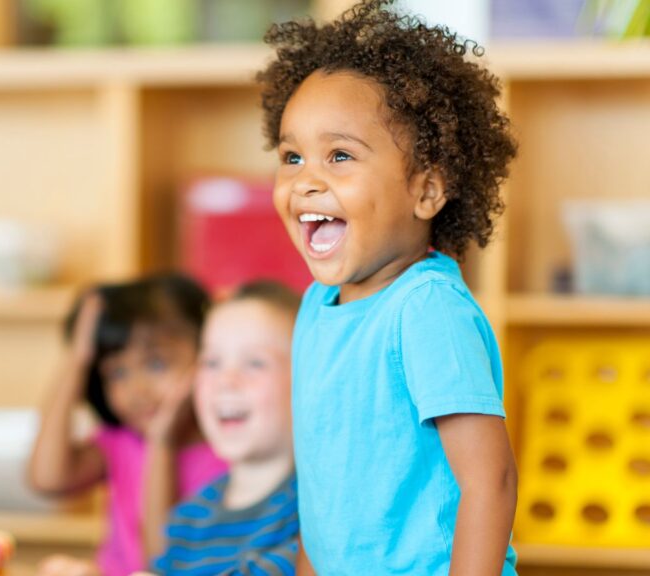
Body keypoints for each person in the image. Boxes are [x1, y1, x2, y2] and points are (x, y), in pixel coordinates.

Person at [258, 1, 519, 573]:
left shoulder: (426, 309)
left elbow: (490, 480)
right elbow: (324, 494)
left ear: (426, 192)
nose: (305, 181)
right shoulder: (316, 307)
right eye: (292, 156)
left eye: (340, 155)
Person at [29, 274, 226, 576]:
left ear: (208, 353)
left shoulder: (230, 451)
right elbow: (47, 478)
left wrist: (162, 443)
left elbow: (160, 564)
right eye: (117, 373)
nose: (136, 391)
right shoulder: (118, 442)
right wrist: (77, 360)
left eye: (156, 363)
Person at [154, 281, 300, 575]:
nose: (226, 380)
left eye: (255, 363)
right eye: (211, 362)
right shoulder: (187, 518)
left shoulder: (315, 508)